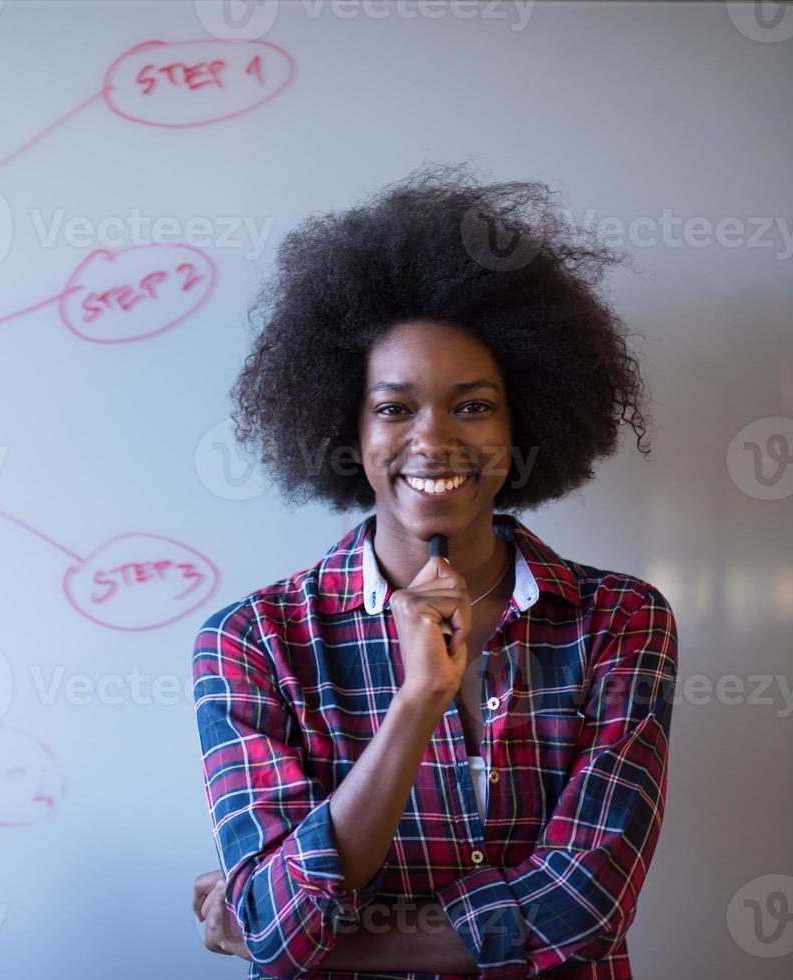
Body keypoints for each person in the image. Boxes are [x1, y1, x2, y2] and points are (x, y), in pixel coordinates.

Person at [190, 164, 677, 978]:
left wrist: (325, 944)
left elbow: (585, 905)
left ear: (526, 418)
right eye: (394, 407)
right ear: (347, 423)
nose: (434, 438)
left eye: (474, 405)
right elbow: (277, 923)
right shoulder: (254, 641)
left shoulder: (619, 620)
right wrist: (416, 702)